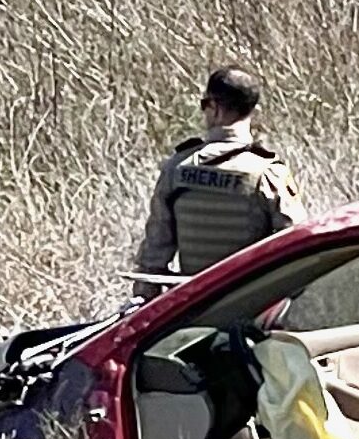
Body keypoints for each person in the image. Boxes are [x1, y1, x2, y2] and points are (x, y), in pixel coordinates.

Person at [130, 67, 307, 299]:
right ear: (254, 111)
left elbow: (153, 257)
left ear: (213, 108)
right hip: (251, 305)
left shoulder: (177, 168)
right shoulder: (267, 173)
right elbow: (299, 246)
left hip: (191, 306)